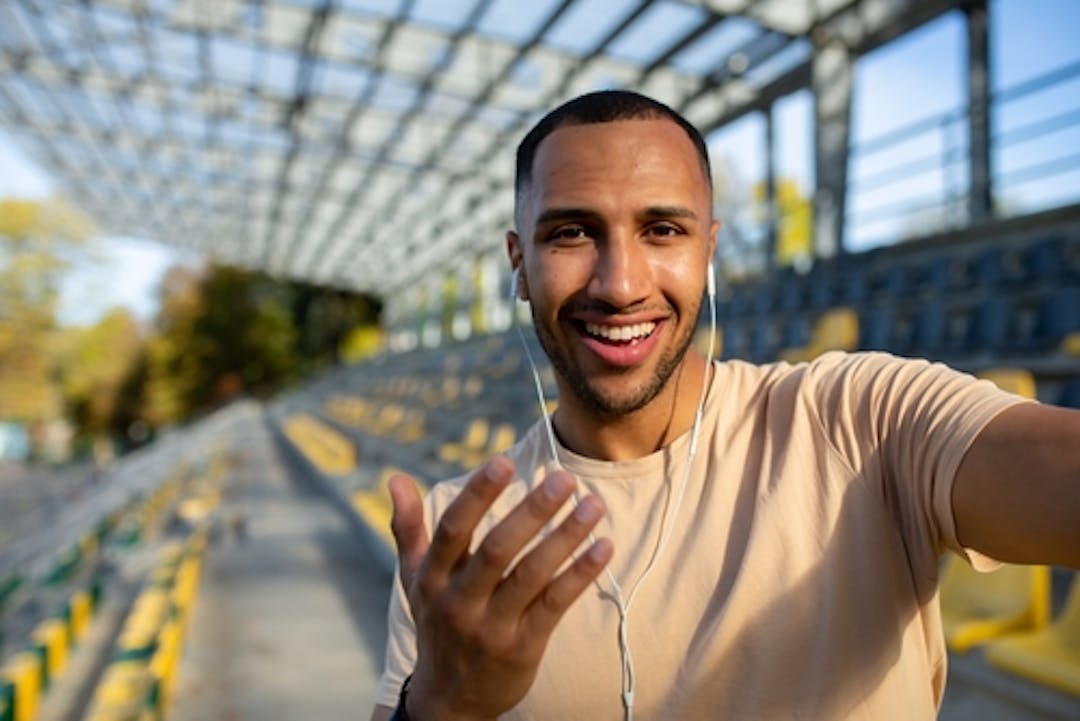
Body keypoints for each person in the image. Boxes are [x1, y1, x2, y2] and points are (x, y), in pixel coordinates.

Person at [371, 90, 1080, 721]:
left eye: (663, 230)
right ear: (519, 262)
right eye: (572, 232)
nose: (620, 285)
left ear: (709, 251)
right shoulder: (450, 549)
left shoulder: (861, 422)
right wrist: (443, 706)